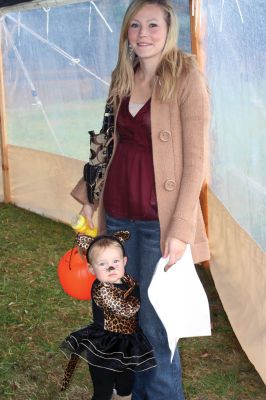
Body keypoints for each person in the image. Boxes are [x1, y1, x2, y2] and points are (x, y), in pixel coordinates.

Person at [71, 0, 210, 399]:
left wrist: (181, 229)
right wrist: (90, 197)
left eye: (152, 25)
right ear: (126, 33)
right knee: (122, 317)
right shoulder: (122, 76)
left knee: (156, 322)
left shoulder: (186, 77)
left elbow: (196, 160)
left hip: (158, 222)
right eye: (135, 25)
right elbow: (104, 141)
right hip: (116, 216)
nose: (143, 34)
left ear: (169, 30)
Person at [60, 232, 156, 400]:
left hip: (127, 344)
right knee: (103, 389)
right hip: (104, 347)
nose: (111, 267)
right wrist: (142, 296)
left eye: (115, 262)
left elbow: (133, 287)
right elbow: (127, 309)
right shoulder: (102, 289)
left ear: (125, 261)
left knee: (125, 385)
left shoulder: (126, 279)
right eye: (102, 264)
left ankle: (122, 395)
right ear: (91, 269)